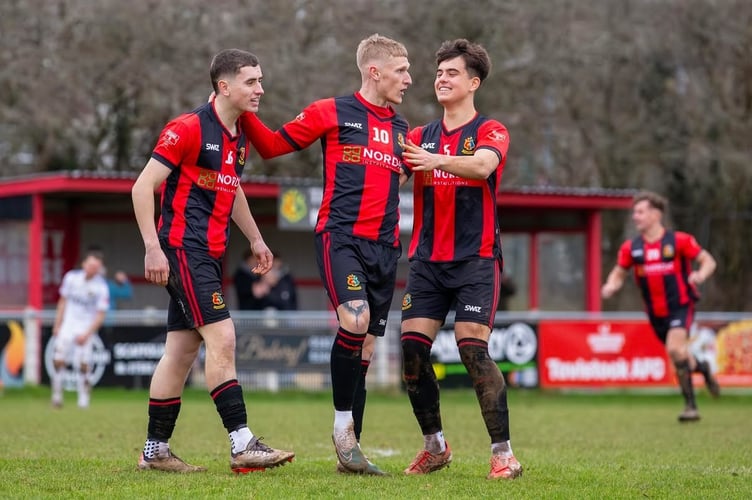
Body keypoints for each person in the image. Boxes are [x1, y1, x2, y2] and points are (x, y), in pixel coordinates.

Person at [240, 33, 412, 475]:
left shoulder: (400, 128)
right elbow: (273, 146)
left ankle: (351, 453)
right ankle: (340, 429)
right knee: (353, 319)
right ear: (375, 72)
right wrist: (241, 111)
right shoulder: (330, 111)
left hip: (386, 250)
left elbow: (407, 177)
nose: (409, 79)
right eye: (401, 71)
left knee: (368, 349)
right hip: (341, 239)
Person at [131, 48, 294, 474]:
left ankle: (155, 452)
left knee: (180, 353)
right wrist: (153, 246)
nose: (260, 89)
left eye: (260, 80)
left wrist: (256, 239)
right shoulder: (186, 129)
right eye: (251, 82)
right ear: (224, 86)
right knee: (223, 339)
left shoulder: (236, 136)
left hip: (210, 254)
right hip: (184, 250)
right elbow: (142, 187)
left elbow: (231, 187)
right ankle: (243, 444)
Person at [399, 39, 522, 480]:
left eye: (452, 73)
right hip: (428, 262)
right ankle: (435, 447)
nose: (442, 79)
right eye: (439, 73)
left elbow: (483, 167)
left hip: (476, 259)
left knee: (473, 349)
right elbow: (390, 170)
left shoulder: (492, 130)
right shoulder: (417, 137)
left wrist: (434, 161)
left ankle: (504, 454)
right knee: (411, 352)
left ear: (473, 82)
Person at [601, 190, 719, 422]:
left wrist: (700, 275)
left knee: (675, 350)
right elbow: (619, 271)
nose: (635, 217)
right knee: (680, 355)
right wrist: (611, 285)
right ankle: (702, 367)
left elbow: (708, 260)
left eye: (641, 212)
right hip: (656, 314)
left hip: (681, 306)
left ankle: (690, 407)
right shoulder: (631, 247)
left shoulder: (679, 241)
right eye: (635, 212)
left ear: (656, 214)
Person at [51, 246, 110, 409]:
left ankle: (83, 399)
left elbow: (100, 314)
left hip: (85, 327)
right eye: (91, 265)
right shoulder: (71, 278)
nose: (93, 269)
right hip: (68, 325)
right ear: (84, 264)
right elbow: (62, 302)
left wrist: (88, 333)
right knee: (59, 359)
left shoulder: (101, 287)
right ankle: (56, 396)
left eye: (96, 267)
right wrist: (57, 325)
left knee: (83, 364)